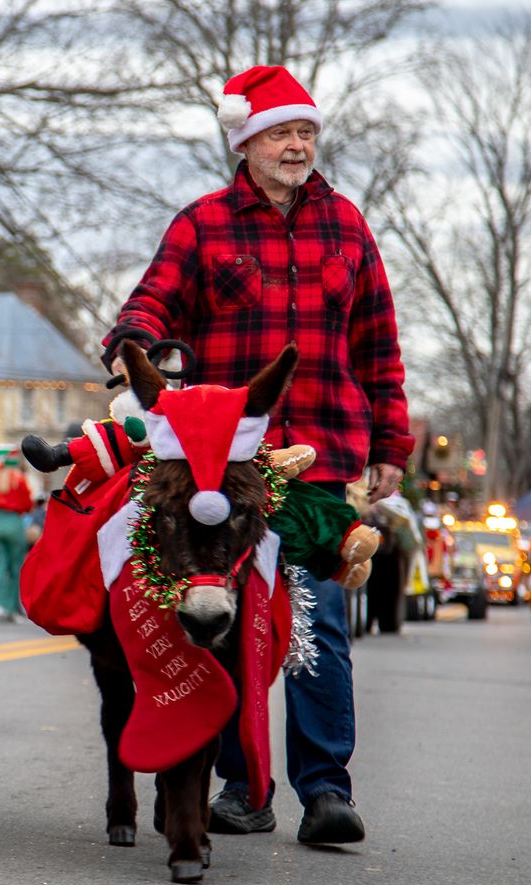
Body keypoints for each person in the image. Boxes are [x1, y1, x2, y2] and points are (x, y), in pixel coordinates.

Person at [102, 65, 413, 845]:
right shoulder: (202, 224)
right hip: (226, 466)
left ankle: (325, 790)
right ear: (246, 142)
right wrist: (134, 347)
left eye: (306, 132)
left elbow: (379, 345)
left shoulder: (348, 227)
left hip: (325, 456)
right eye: (282, 132)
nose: (298, 145)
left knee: (316, 625)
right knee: (233, 626)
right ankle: (245, 789)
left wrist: (393, 445)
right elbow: (149, 304)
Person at [0, 447, 33, 622]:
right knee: (15, 567)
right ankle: (12, 608)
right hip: (13, 523)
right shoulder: (20, 479)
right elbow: (27, 504)